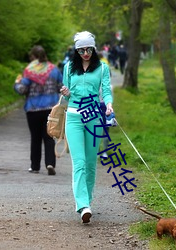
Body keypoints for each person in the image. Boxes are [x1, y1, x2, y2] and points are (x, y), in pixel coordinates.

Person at [60, 31, 113, 223]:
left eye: (89, 49)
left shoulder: (102, 68)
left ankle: (87, 201)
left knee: (91, 163)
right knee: (79, 162)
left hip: (94, 117)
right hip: (73, 117)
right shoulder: (68, 68)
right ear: (76, 50)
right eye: (81, 50)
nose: (85, 53)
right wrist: (65, 92)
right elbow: (66, 96)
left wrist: (108, 104)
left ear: (94, 48)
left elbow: (106, 90)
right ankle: (82, 205)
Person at [14, 45, 63, 175]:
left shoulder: (29, 71)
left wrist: (17, 83)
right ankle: (50, 163)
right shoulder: (54, 70)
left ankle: (35, 166)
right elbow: (61, 87)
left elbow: (22, 90)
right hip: (50, 109)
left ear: (33, 57)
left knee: (35, 138)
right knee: (49, 137)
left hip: (33, 109)